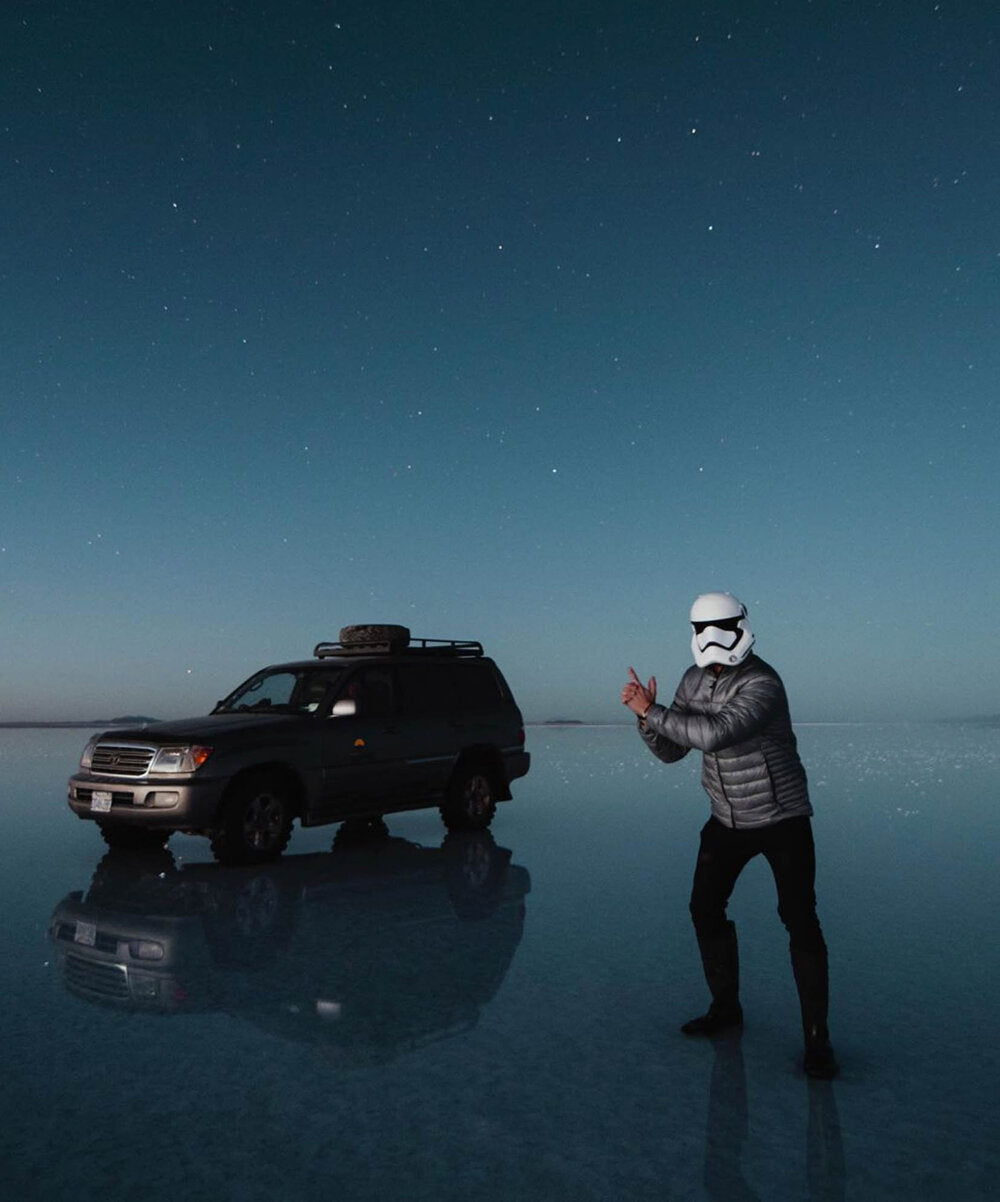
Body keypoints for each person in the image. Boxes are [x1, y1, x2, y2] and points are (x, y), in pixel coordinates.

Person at [621, 591, 838, 1079]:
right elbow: (674, 750)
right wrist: (645, 718)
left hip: (782, 818)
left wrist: (651, 711)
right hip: (726, 819)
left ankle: (818, 1040)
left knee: (800, 920)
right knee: (704, 908)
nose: (712, 637)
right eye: (702, 628)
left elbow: (717, 733)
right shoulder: (693, 680)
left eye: (722, 625)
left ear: (742, 625)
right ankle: (726, 1008)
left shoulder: (763, 682)